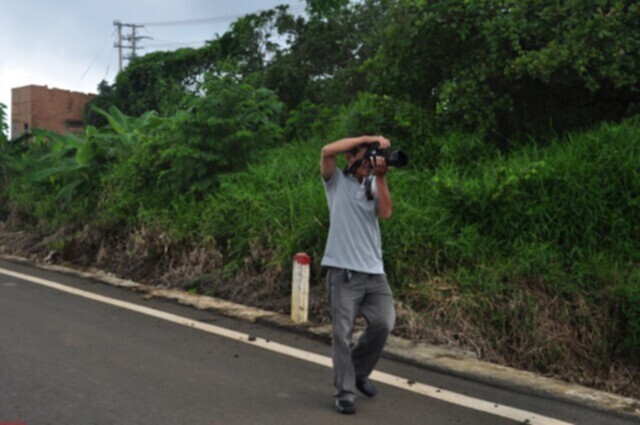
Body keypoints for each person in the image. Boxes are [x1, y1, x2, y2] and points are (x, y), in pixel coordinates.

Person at [320, 135, 396, 414]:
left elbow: (386, 213)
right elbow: (327, 150)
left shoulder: (373, 184)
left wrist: (382, 178)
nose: (367, 164)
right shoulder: (336, 181)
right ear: (350, 159)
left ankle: (359, 371)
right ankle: (345, 392)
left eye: (370, 159)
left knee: (384, 323)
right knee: (342, 334)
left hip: (374, 273)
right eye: (363, 158)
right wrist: (367, 139)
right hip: (343, 273)